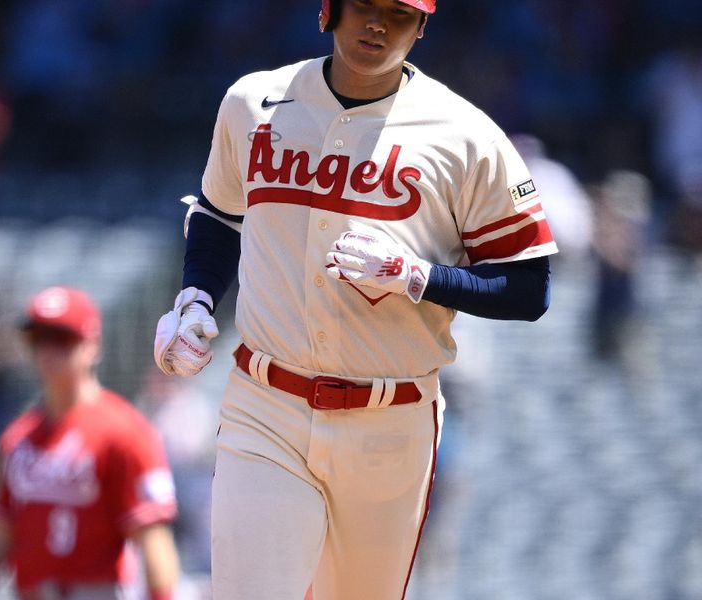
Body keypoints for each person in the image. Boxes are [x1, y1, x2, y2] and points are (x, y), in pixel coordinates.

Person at [153, 1, 558, 598]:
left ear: (422, 27)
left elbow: (529, 289)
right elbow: (219, 213)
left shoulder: (465, 134)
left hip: (391, 421)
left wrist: (418, 277)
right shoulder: (252, 102)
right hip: (267, 405)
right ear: (329, 11)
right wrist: (195, 298)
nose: (376, 25)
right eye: (364, 5)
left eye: (398, 13)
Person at [0, 286, 180, 600]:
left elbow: (153, 536)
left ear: (93, 345)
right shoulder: (19, 437)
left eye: (62, 338)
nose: (48, 350)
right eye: (38, 338)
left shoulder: (126, 431)